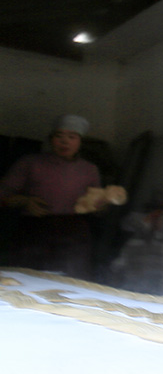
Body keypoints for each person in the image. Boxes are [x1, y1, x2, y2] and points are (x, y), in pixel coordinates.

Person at [0, 114, 102, 277]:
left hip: (73, 233)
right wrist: (24, 201)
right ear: (51, 139)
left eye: (72, 137)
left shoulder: (89, 170)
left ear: (80, 141)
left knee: (72, 280)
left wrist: (102, 203)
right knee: (27, 278)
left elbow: (97, 206)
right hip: (34, 230)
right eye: (59, 136)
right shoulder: (30, 163)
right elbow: (3, 194)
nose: (64, 142)